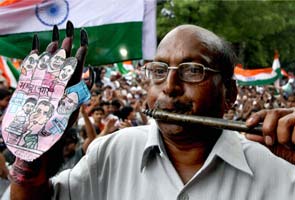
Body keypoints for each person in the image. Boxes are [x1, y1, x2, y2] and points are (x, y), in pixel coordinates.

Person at [9, 25, 295, 200]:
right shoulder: (111, 152)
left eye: (192, 70)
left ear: (230, 94)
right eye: (159, 71)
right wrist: (30, 160)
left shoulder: (280, 171)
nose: (170, 87)